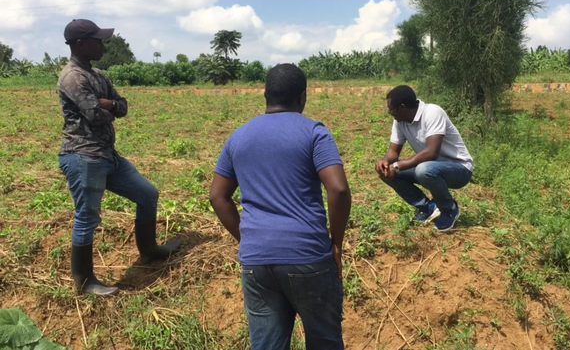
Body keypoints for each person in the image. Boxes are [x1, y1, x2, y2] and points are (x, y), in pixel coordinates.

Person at [209, 63, 351, 350]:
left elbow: (217, 196)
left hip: (257, 260)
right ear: (302, 97)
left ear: (265, 95)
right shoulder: (313, 132)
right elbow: (338, 189)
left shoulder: (238, 136)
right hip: (308, 256)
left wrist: (247, 237)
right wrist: (336, 243)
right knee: (324, 341)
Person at [57, 19, 181, 296]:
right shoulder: (73, 77)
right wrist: (108, 107)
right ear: (80, 44)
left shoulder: (98, 75)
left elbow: (121, 107)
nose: (102, 44)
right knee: (87, 216)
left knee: (148, 194)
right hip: (83, 155)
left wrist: (110, 104)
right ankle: (85, 280)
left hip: (107, 156)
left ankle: (149, 250)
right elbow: (94, 115)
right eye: (97, 40)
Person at [375, 85, 474, 232]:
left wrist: (398, 166)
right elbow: (393, 151)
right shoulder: (400, 121)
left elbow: (431, 152)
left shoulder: (432, 112)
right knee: (387, 173)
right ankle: (427, 207)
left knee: (423, 170)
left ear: (402, 107)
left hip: (459, 169)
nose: (389, 113)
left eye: (391, 109)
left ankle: (449, 209)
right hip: (431, 166)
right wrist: (385, 162)